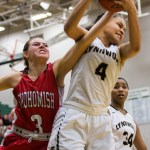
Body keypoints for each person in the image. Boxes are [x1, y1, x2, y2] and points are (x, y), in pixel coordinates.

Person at [0, 14, 113, 150]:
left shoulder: (55, 70)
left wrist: (105, 19)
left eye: (45, 45)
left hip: (49, 141)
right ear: (26, 54)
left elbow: (81, 45)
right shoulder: (16, 78)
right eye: (36, 44)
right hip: (19, 140)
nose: (42, 46)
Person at [48, 0, 141, 149]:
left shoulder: (120, 53)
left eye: (124, 28)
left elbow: (136, 47)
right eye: (119, 25)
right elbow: (69, 27)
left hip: (102, 118)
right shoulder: (87, 40)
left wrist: (131, 9)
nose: (123, 30)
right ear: (104, 20)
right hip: (76, 112)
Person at [108, 77, 147, 150]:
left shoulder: (131, 120)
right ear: (109, 90)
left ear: (127, 91)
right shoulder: (105, 112)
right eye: (116, 87)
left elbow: (143, 148)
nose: (121, 89)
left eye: (124, 87)